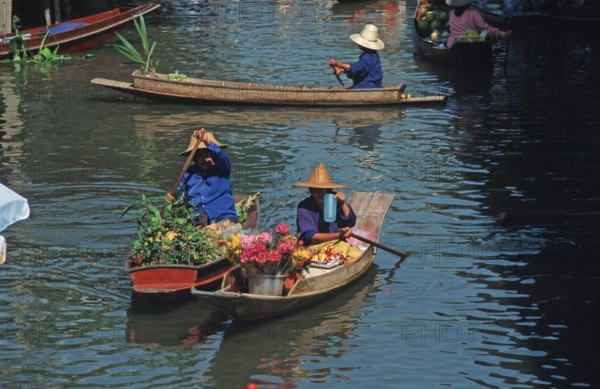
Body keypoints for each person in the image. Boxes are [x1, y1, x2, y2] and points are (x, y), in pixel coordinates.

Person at [293, 163, 363, 260]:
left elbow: (350, 222)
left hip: (335, 242)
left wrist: (343, 204)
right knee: (343, 247)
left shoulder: (335, 200)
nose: (321, 193)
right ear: (310, 190)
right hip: (313, 246)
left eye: (324, 190)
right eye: (316, 190)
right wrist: (338, 235)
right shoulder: (304, 207)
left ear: (330, 190)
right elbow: (312, 236)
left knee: (356, 254)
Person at [173, 128, 238, 227]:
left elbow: (222, 158)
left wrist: (206, 141)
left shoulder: (222, 169)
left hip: (223, 217)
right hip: (197, 219)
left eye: (209, 155)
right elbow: (176, 194)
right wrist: (171, 199)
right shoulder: (187, 173)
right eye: (202, 156)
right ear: (194, 158)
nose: (207, 159)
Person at [328, 24, 385, 89]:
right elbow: (360, 71)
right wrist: (342, 70)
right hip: (374, 86)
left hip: (365, 87)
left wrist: (337, 64)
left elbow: (356, 69)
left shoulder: (367, 57)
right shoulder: (374, 55)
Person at [446, 0, 513, 48]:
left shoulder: (452, 13)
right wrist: (503, 34)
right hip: (470, 45)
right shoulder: (473, 13)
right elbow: (487, 29)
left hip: (452, 44)